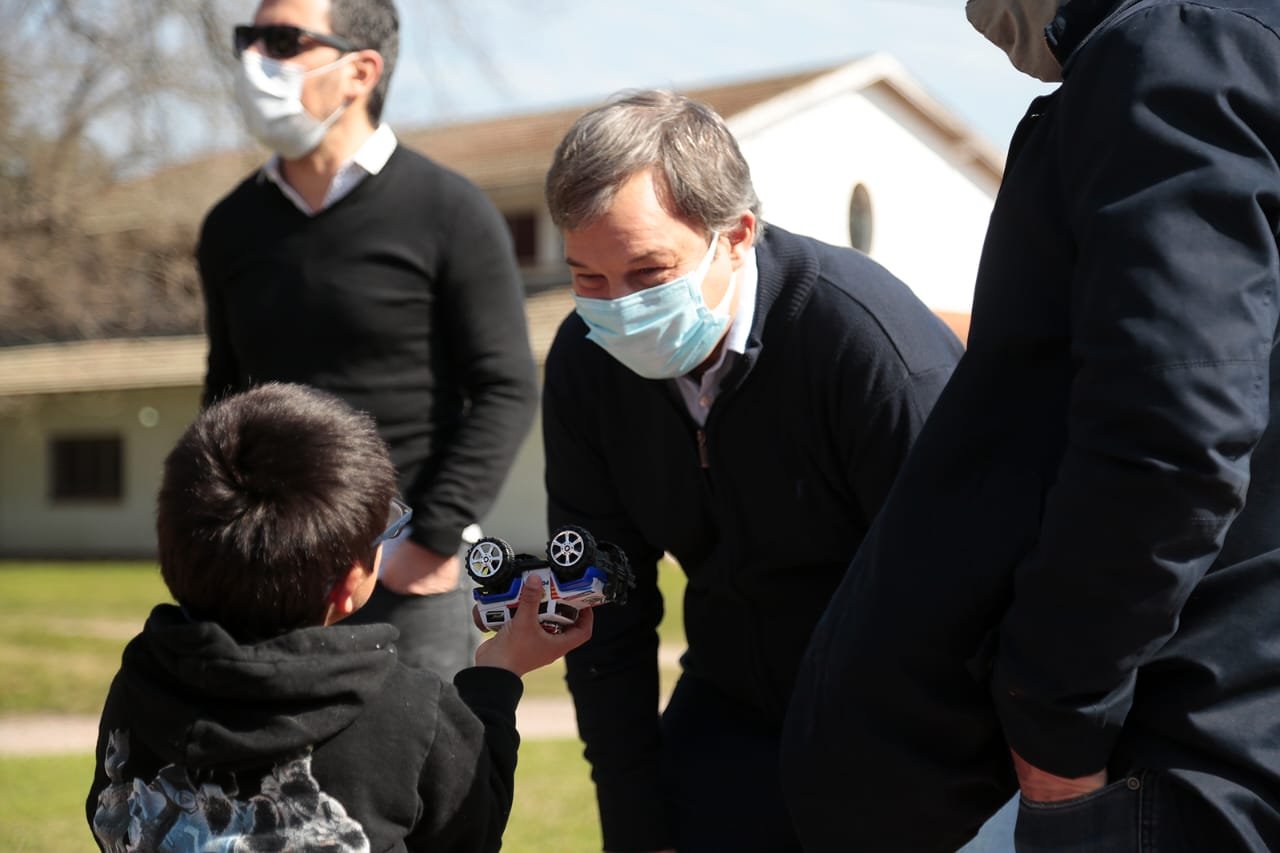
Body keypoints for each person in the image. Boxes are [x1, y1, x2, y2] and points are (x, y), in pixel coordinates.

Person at [780, 0, 1280, 850]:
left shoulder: (1177, 46)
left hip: (1144, 766)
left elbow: (1171, 430)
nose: (971, 14)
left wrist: (1056, 720)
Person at [540, 89, 965, 852]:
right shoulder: (585, 361)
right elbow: (601, 604)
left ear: (735, 235)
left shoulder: (867, 345)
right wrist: (636, 821)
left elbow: (959, 593)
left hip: (896, 718)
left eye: (647, 272)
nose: (617, 309)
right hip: (729, 708)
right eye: (588, 278)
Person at [85, 382, 591, 852]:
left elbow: (106, 814)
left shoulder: (139, 684)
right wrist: (497, 674)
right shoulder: (409, 713)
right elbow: (471, 828)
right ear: (351, 583)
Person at [197, 0, 538, 678]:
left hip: (409, 582)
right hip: (268, 579)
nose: (255, 60)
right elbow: (224, 394)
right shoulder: (229, 226)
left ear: (361, 71)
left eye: (283, 40)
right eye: (249, 39)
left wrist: (432, 543)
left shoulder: (449, 209)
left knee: (427, 781)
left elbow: (507, 387)